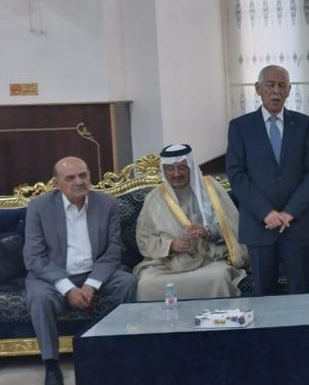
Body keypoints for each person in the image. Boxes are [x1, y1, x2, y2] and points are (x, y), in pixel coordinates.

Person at [23, 157, 137, 385]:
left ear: (90, 176)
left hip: (95, 272)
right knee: (39, 297)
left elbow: (113, 251)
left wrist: (91, 284)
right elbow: (34, 257)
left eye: (83, 175)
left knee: (127, 283)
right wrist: (67, 288)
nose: (79, 182)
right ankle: (51, 365)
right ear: (57, 183)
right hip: (53, 276)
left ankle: (120, 350)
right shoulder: (39, 207)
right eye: (70, 178)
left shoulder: (107, 204)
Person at [226, 64, 309, 295]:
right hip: (259, 225)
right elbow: (237, 175)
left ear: (289, 91)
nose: (276, 91)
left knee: (301, 293)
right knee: (264, 295)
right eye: (270, 85)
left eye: (282, 86)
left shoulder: (303, 124)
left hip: (298, 224)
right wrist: (266, 212)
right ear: (258, 88)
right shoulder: (240, 127)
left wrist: (290, 212)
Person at [134, 144, 247, 300]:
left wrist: (208, 231)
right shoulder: (154, 198)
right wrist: (170, 245)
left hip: (207, 258)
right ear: (164, 170)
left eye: (182, 168)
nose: (176, 174)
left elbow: (233, 225)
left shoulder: (210, 188)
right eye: (170, 169)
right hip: (168, 264)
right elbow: (144, 239)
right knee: (146, 283)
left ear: (191, 167)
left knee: (219, 277)